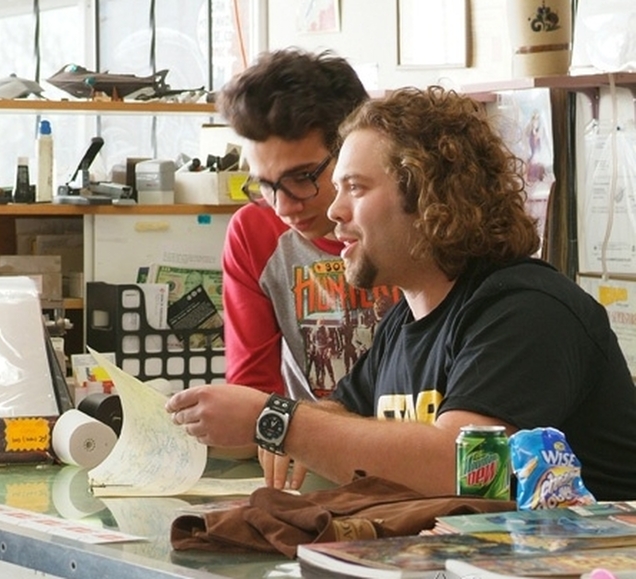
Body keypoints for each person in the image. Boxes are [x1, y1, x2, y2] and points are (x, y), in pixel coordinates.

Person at [167, 86, 636, 501]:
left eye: (355, 188)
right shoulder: (405, 322)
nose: (334, 210)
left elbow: (462, 468)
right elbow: (339, 418)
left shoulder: (527, 310)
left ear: (431, 196)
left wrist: (276, 420)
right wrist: (214, 421)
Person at [213, 48, 401, 485]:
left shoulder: (408, 229)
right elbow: (253, 395)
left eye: (302, 178)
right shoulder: (255, 233)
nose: (284, 207)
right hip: (311, 468)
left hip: (415, 463)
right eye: (266, 185)